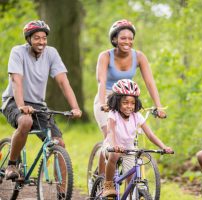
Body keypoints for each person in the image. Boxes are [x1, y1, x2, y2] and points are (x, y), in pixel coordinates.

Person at [1, 20, 82, 181]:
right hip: (14, 100)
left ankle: (62, 193)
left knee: (59, 144)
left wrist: (75, 107)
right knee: (25, 121)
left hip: (38, 104)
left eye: (44, 38)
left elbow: (63, 82)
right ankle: (11, 164)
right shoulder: (17, 52)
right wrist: (21, 106)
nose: (41, 42)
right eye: (37, 38)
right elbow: (16, 81)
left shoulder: (51, 53)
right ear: (29, 39)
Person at [93, 19, 166, 176]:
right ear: (114, 39)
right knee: (110, 139)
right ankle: (102, 178)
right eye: (123, 38)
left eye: (130, 38)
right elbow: (101, 81)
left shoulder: (139, 56)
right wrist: (103, 103)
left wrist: (158, 106)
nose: (127, 41)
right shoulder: (105, 56)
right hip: (107, 97)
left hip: (127, 98)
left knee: (129, 142)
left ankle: (128, 182)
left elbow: (150, 82)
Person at [100, 79, 173, 197]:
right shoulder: (113, 114)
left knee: (131, 182)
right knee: (114, 155)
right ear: (117, 102)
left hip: (128, 150)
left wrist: (164, 147)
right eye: (125, 102)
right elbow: (110, 131)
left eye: (132, 103)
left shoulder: (137, 116)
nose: (129, 106)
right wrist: (114, 145)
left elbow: (150, 135)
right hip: (111, 147)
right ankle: (108, 185)